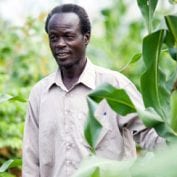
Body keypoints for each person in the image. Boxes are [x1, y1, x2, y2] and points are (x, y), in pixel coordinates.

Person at [22, 3, 165, 177]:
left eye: (68, 36)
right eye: (54, 38)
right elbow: (31, 160)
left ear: (86, 37)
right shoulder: (40, 94)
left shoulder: (114, 85)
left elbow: (151, 134)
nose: (60, 44)